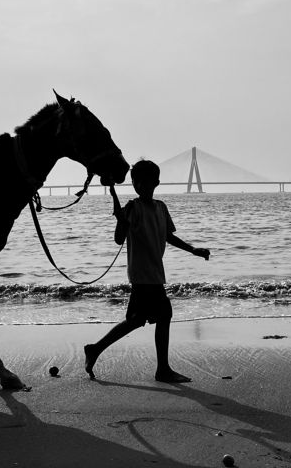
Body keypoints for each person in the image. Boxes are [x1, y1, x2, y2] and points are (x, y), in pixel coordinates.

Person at [84, 159, 210, 383]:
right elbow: (119, 239)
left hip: (154, 272)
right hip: (142, 274)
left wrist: (193, 250)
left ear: (156, 183)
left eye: (145, 181)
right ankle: (162, 369)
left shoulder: (161, 207)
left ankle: (95, 349)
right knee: (164, 314)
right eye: (136, 181)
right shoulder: (133, 208)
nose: (140, 185)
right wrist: (121, 219)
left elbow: (168, 236)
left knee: (136, 320)